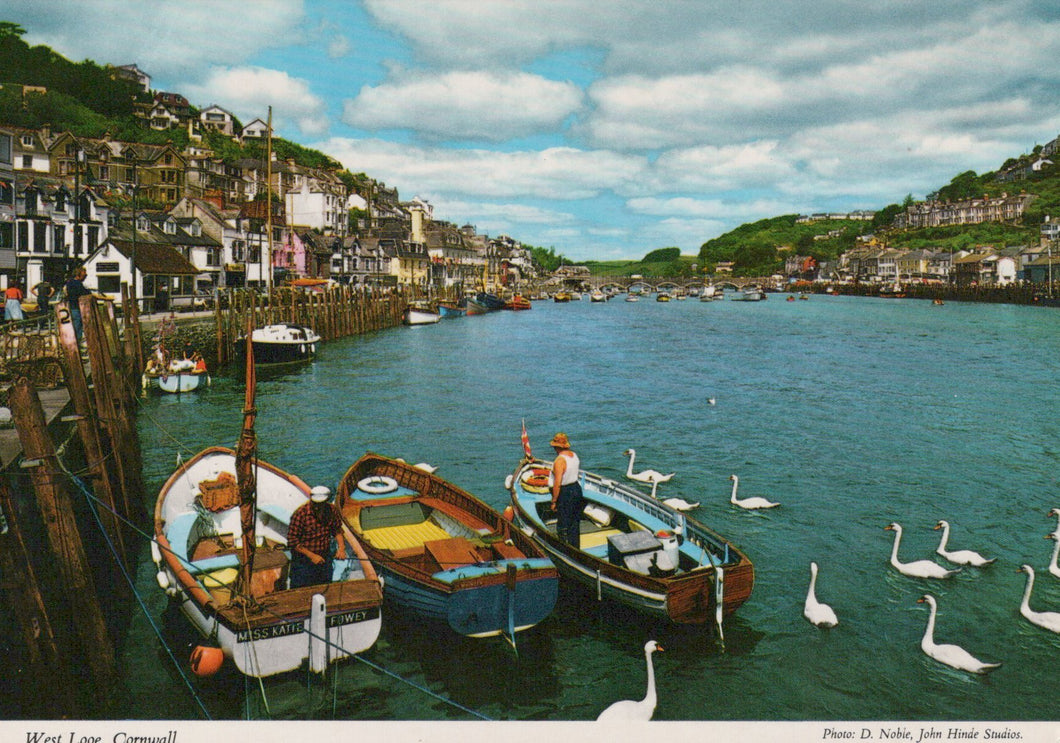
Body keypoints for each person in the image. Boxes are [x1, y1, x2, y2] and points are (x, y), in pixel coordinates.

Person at [287, 485, 346, 588]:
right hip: (303, 561)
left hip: (324, 558)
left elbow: (337, 529)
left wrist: (341, 548)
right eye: (315, 504)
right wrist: (312, 556)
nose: (317, 507)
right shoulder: (300, 514)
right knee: (300, 589)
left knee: (324, 586)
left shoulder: (332, 510)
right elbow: (293, 542)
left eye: (320, 504)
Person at [549, 432, 584, 548]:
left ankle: (564, 548)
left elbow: (557, 483)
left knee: (563, 524)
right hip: (576, 489)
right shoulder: (574, 455)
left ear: (556, 447)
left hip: (566, 492)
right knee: (574, 523)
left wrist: (554, 501)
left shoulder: (559, 461)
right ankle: (575, 548)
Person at [63, 267, 92, 344]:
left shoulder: (70, 282)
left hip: (71, 307)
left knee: (74, 327)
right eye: (84, 275)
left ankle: (75, 344)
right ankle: (77, 345)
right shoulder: (77, 284)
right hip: (76, 308)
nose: (85, 277)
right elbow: (85, 293)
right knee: (77, 327)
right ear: (79, 275)